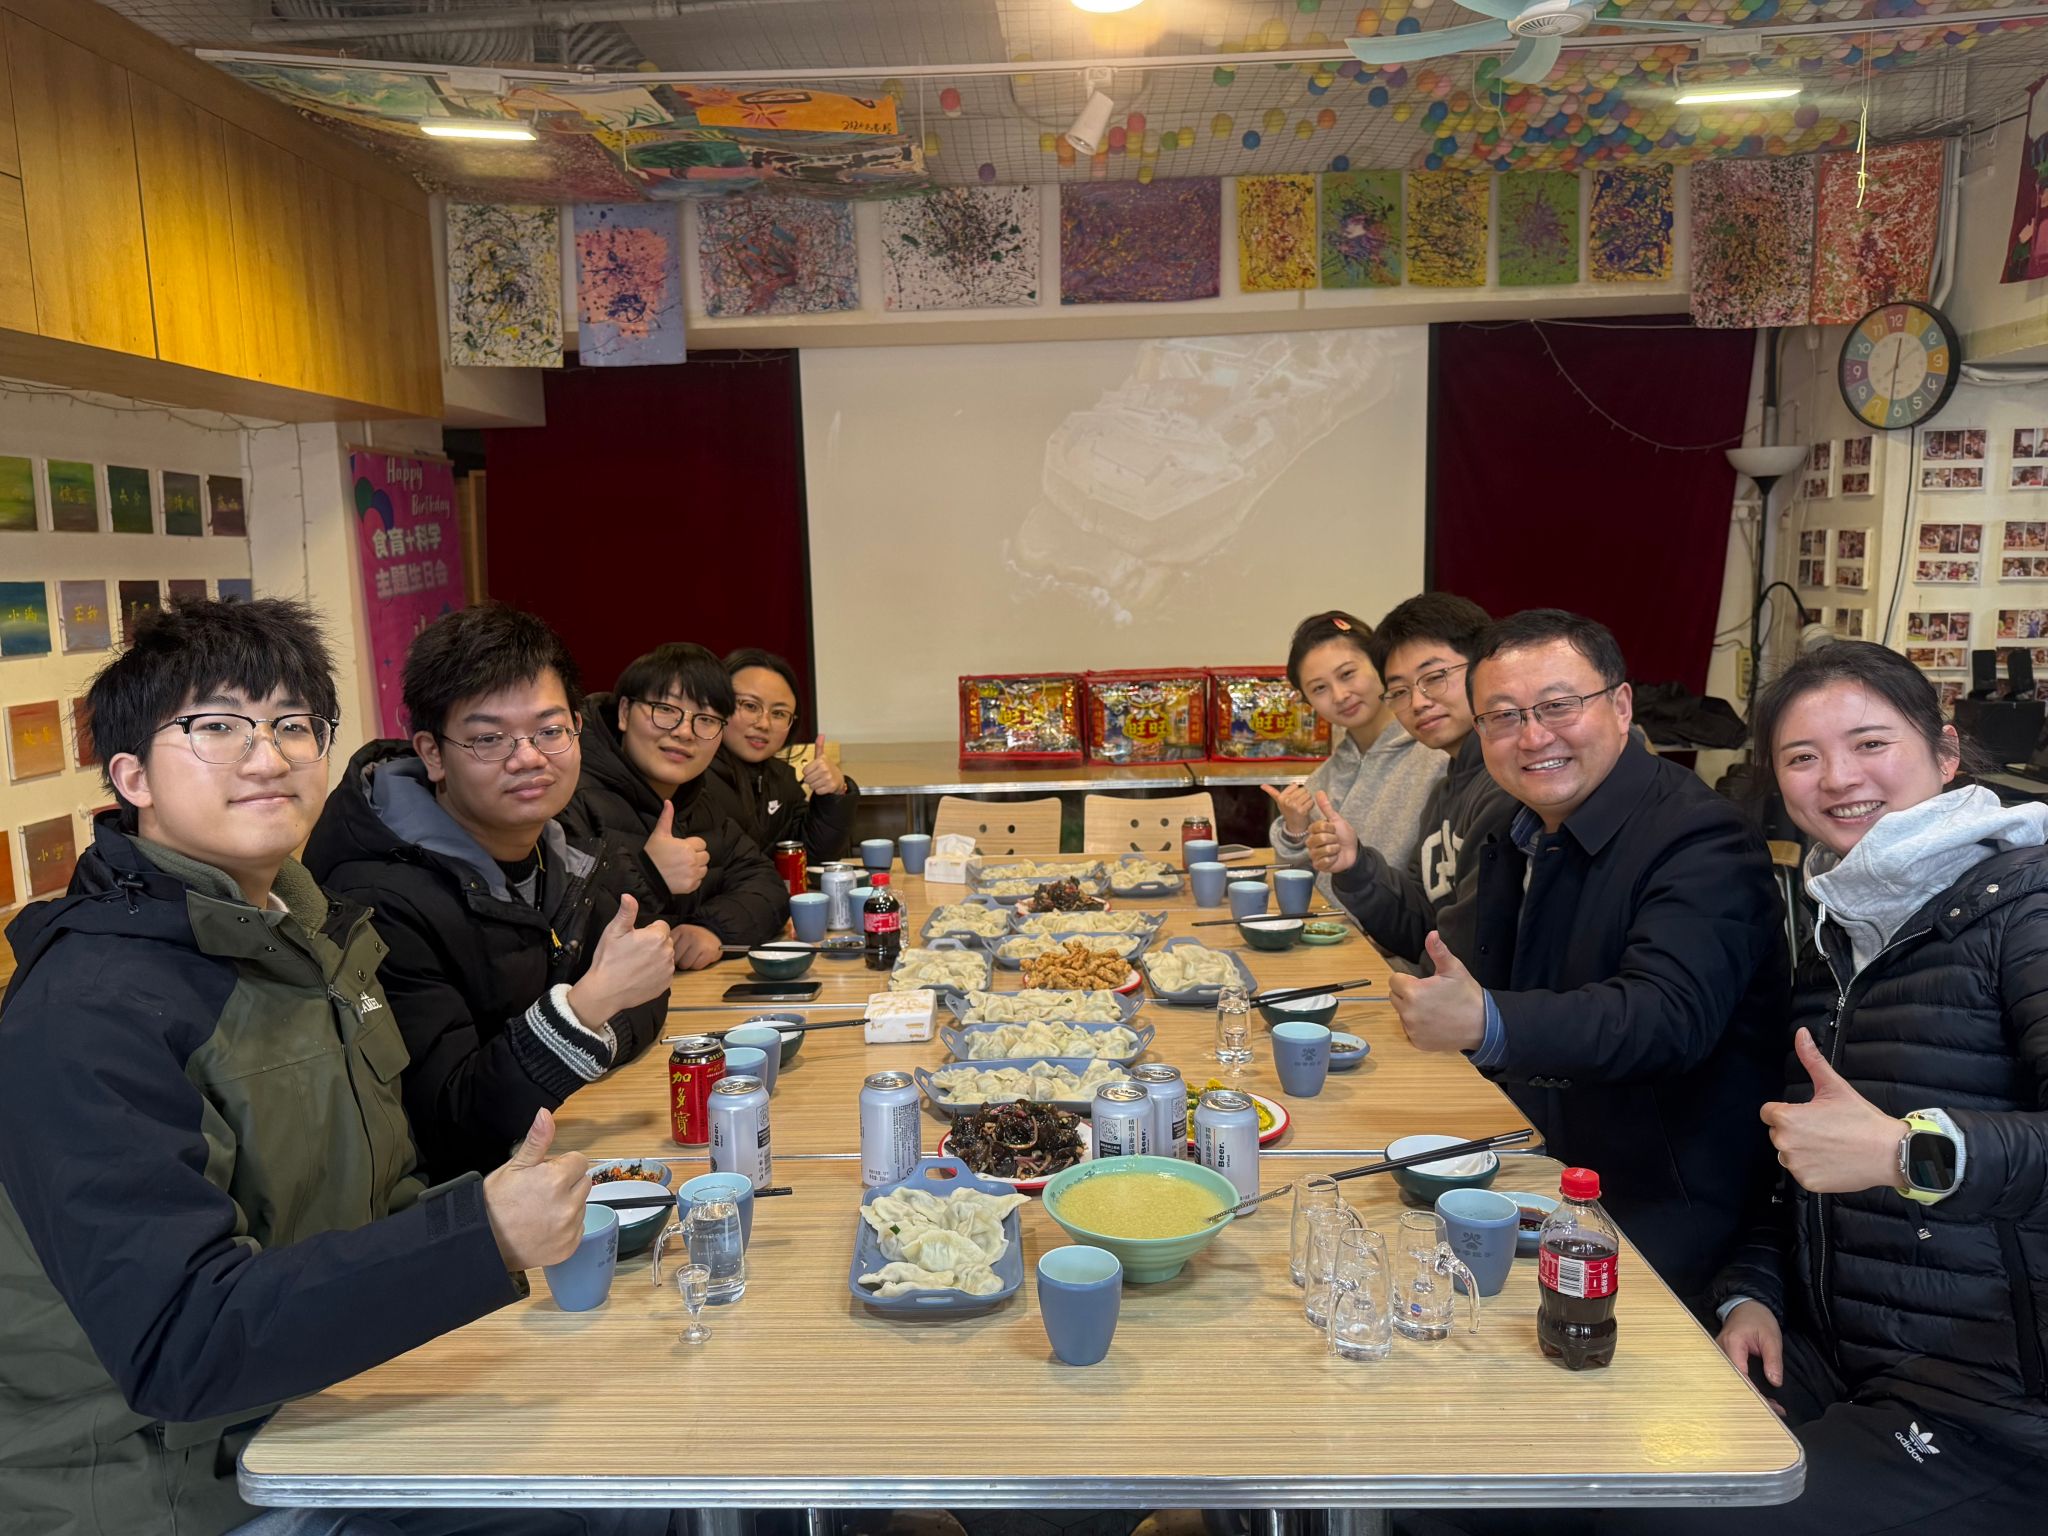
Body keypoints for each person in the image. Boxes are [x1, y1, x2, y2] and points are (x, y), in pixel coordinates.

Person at [0, 599, 607, 1536]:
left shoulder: (307, 937)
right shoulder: (89, 1010)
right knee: (600, 1507)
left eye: (293, 725)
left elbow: (369, 1206)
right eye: (216, 728)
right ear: (132, 776)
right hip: (177, 1491)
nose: (268, 757)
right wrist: (480, 1236)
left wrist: (514, 1212)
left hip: (319, 1407)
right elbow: (182, 1345)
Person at [1597, 641, 2048, 1532]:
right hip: (1835, 1355)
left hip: (1997, 1407)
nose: (1839, 779)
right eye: (1803, 757)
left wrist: (1908, 1152)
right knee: (1590, 1455)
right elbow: (1801, 1167)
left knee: (1674, 1520)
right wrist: (1753, 1295)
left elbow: (1884, 1155)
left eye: (1871, 744)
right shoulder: (1839, 934)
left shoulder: (2025, 908)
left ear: (1945, 753)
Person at [1382, 609, 1786, 1302]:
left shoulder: (1702, 838)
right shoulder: (1516, 826)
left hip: (1657, 1209)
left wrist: (1486, 1021)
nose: (1534, 736)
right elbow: (1463, 966)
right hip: (1536, 1165)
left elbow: (1666, 1017)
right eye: (1503, 717)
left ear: (1621, 706)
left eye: (1559, 706)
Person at [304, 604, 676, 1182]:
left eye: (550, 731)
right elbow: (449, 1121)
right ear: (432, 753)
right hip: (460, 1202)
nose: (529, 758)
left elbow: (645, 988)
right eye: (488, 738)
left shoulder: (560, 842)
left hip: (551, 1151)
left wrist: (587, 1028)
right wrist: (586, 1009)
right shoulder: (377, 898)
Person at [1305, 592, 1517, 966]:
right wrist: (1356, 867)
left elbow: (1486, 954)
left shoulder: (1515, 783)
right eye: (1401, 691)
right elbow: (1422, 925)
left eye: (1434, 678)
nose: (1418, 703)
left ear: (1486, 665)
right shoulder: (1445, 794)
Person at [561, 642, 790, 970]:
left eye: (706, 719)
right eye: (666, 709)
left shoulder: (699, 801)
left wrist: (712, 929)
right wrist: (651, 876)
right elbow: (565, 934)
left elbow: (766, 885)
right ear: (624, 712)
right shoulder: (569, 795)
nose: (684, 732)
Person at [1260, 609, 1446, 906]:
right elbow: (1299, 886)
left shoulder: (1436, 754)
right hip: (1330, 931)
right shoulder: (1322, 780)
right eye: (1319, 688)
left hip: (1402, 932)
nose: (1339, 695)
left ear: (1380, 665)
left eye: (1347, 674)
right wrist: (1295, 829)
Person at [711, 646, 860, 863]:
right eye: (750, 706)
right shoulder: (691, 778)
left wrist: (835, 795)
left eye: (779, 713)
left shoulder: (781, 779)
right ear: (716, 703)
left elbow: (810, 856)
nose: (764, 724)